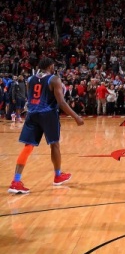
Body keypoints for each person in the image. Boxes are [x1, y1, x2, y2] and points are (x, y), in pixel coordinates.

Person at [8, 58, 84, 194]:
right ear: (50, 66)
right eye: (53, 66)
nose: (54, 68)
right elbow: (61, 102)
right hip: (48, 115)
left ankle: (16, 181)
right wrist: (76, 117)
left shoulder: (30, 79)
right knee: (54, 145)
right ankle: (58, 175)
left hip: (32, 114)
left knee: (28, 146)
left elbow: (31, 97)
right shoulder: (54, 79)